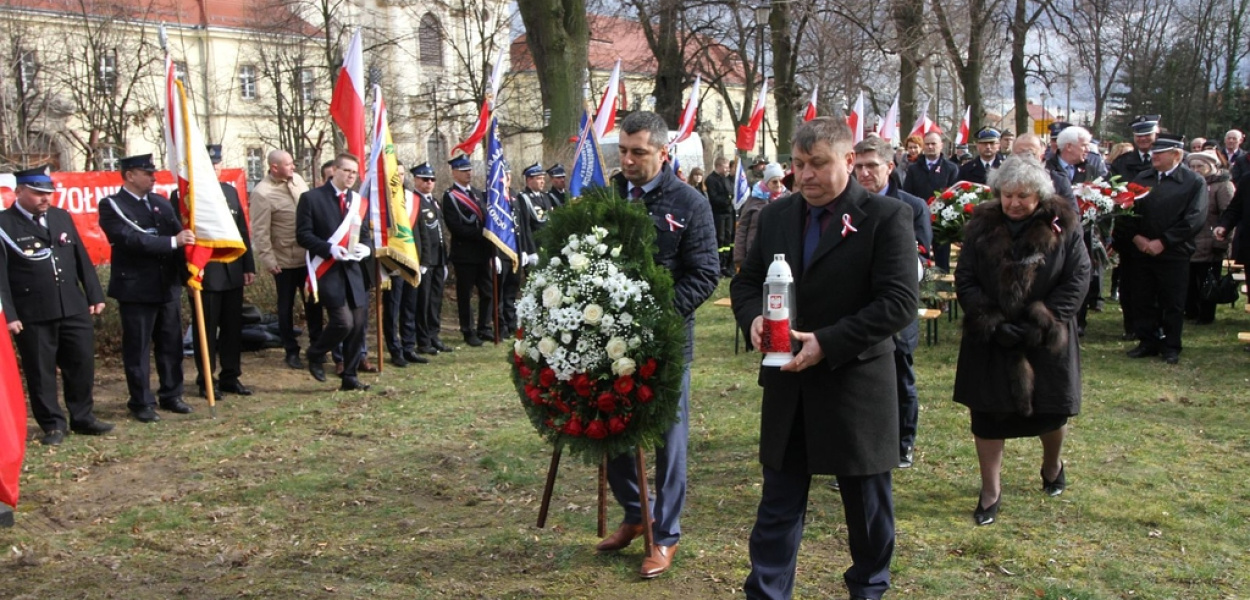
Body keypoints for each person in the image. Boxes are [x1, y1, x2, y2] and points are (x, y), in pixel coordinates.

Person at [731, 116, 918, 600]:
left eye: (818, 164)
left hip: (853, 385)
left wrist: (828, 342)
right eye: (798, 164)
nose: (806, 175)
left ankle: (869, 589)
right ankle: (768, 592)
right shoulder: (776, 216)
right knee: (778, 505)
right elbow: (747, 282)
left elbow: (897, 303)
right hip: (789, 385)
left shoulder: (886, 217)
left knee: (867, 512)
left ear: (849, 161)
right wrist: (753, 318)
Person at [597, 111, 718, 579]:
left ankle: (665, 534)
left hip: (665, 341)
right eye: (623, 151)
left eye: (638, 153)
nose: (627, 160)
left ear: (663, 153)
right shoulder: (608, 196)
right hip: (606, 341)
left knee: (668, 441)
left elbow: (705, 273)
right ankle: (636, 512)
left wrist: (655, 318)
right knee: (610, 429)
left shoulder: (690, 203)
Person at [953, 155, 1090, 526]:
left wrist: (1042, 322)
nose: (1014, 203)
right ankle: (990, 490)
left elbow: (1078, 277)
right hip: (991, 337)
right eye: (1007, 195)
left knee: (1051, 409)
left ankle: (1051, 465)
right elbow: (965, 277)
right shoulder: (981, 225)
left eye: (1023, 196)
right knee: (987, 415)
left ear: (1040, 196)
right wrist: (991, 322)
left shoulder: (1064, 225)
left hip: (1046, 338)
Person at [0, 167, 113, 444]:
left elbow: (79, 257)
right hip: (33, 311)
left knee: (81, 363)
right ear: (19, 192)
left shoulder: (60, 217)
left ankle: (83, 416)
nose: (45, 199)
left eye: (48, 193)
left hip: (72, 305)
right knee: (41, 370)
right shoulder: (5, 224)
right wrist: (10, 314)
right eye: (38, 193)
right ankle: (52, 424)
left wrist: (94, 294)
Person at [852, 136, 932, 470]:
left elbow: (924, 259)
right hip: (854, 306)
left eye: (872, 166)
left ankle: (903, 443)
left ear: (890, 166)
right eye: (858, 167)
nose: (865, 173)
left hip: (896, 307)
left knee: (901, 378)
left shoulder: (912, 206)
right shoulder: (846, 204)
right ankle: (859, 446)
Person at [98, 154, 195, 422]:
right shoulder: (113, 206)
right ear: (130, 175)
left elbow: (180, 243)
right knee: (138, 348)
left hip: (166, 286)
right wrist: (172, 242)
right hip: (137, 288)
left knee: (171, 344)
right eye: (147, 173)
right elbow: (131, 240)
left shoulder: (161, 204)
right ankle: (141, 401)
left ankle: (172, 394)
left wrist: (189, 276)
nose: (153, 178)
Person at [172, 145, 256, 397]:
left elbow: (241, 231)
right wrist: (186, 275)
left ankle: (231, 376)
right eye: (210, 165)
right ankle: (206, 379)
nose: (215, 169)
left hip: (232, 270)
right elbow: (181, 240)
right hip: (204, 273)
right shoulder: (184, 195)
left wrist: (248, 265)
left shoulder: (229, 192)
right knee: (206, 331)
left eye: (218, 165)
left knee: (232, 328)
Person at [1119, 134, 1208, 364]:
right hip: (1142, 251)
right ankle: (1147, 340)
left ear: (1176, 155)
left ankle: (1171, 345)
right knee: (1143, 298)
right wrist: (1136, 237)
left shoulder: (1193, 182)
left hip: (1174, 253)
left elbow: (1194, 218)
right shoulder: (1143, 178)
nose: (1154, 156)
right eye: (1154, 152)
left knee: (1173, 301)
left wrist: (1164, 241)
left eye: (1161, 152)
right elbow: (1127, 210)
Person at [296, 153, 374, 391]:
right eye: (346, 171)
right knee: (343, 322)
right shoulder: (311, 198)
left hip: (353, 270)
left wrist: (366, 249)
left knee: (358, 325)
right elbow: (303, 235)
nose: (351, 176)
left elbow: (365, 236)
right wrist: (329, 248)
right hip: (326, 269)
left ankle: (349, 377)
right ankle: (315, 352)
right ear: (335, 171)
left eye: (354, 172)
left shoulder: (358, 202)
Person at [250, 149, 311, 369]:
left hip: (307, 256)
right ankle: (291, 349)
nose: (293, 167)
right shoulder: (262, 193)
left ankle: (316, 347)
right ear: (274, 167)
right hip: (283, 260)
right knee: (285, 307)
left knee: (313, 302)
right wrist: (268, 259)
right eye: (288, 164)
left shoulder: (298, 181)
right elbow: (260, 230)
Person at [442, 154, 494, 347]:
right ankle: (468, 330)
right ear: (454, 173)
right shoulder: (450, 197)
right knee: (465, 294)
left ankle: (484, 327)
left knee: (487, 291)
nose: (468, 174)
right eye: (463, 171)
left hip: (482, 253)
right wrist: (482, 234)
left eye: (469, 170)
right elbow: (456, 226)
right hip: (464, 254)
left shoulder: (479, 194)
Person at [1182, 151, 1233, 325]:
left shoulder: (1222, 186)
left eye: (1200, 166)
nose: (1196, 170)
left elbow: (1228, 214)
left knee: (1208, 279)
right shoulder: (1189, 184)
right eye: (1192, 166)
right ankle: (1190, 311)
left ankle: (1206, 314)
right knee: (1188, 280)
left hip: (1211, 240)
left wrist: (1223, 241)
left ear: (1211, 167)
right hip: (1190, 240)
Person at [410, 162, 452, 356]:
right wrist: (422, 260)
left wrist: (444, 259)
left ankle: (434, 335)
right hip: (424, 260)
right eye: (425, 179)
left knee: (435, 300)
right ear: (416, 180)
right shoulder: (414, 201)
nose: (429, 183)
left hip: (438, 258)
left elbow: (440, 232)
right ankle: (423, 339)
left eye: (432, 179)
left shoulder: (434, 202)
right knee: (423, 302)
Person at [905, 132, 960, 271]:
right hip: (919, 222)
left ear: (941, 145)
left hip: (942, 224)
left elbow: (954, 197)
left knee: (942, 262)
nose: (930, 147)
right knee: (920, 260)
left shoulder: (951, 169)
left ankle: (942, 288)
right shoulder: (913, 169)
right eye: (927, 144)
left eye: (933, 144)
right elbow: (907, 194)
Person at [733, 162, 787, 272]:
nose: (778, 184)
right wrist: (739, 257)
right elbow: (742, 228)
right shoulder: (753, 200)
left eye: (781, 181)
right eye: (774, 181)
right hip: (755, 252)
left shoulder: (788, 199)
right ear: (766, 182)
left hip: (781, 254)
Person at [1013, 133, 1075, 207]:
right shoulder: (1002, 180)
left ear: (1041, 156)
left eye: (1031, 154)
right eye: (1020, 154)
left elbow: (1072, 214)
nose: (1025, 158)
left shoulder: (1059, 181)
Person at [705, 157, 735, 276]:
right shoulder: (711, 180)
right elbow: (714, 198)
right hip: (718, 214)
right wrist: (728, 200)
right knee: (720, 239)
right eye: (726, 167)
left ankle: (727, 264)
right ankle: (718, 264)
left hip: (729, 213)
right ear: (719, 166)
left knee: (728, 238)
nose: (727, 169)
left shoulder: (726, 179)